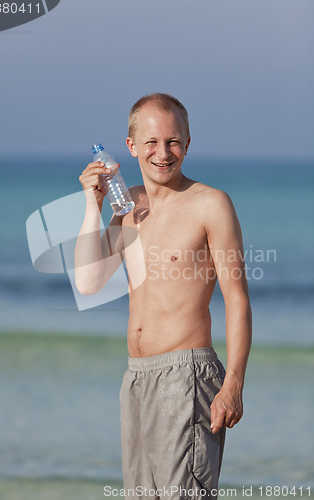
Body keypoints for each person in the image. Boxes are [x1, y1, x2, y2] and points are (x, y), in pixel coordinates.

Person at [74, 93, 252, 500]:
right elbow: (88, 282)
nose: (163, 152)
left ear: (187, 144)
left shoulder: (211, 204)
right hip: (136, 378)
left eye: (173, 141)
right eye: (151, 142)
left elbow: (236, 298)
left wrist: (234, 383)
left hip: (187, 377)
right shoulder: (129, 205)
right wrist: (93, 203)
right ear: (132, 146)